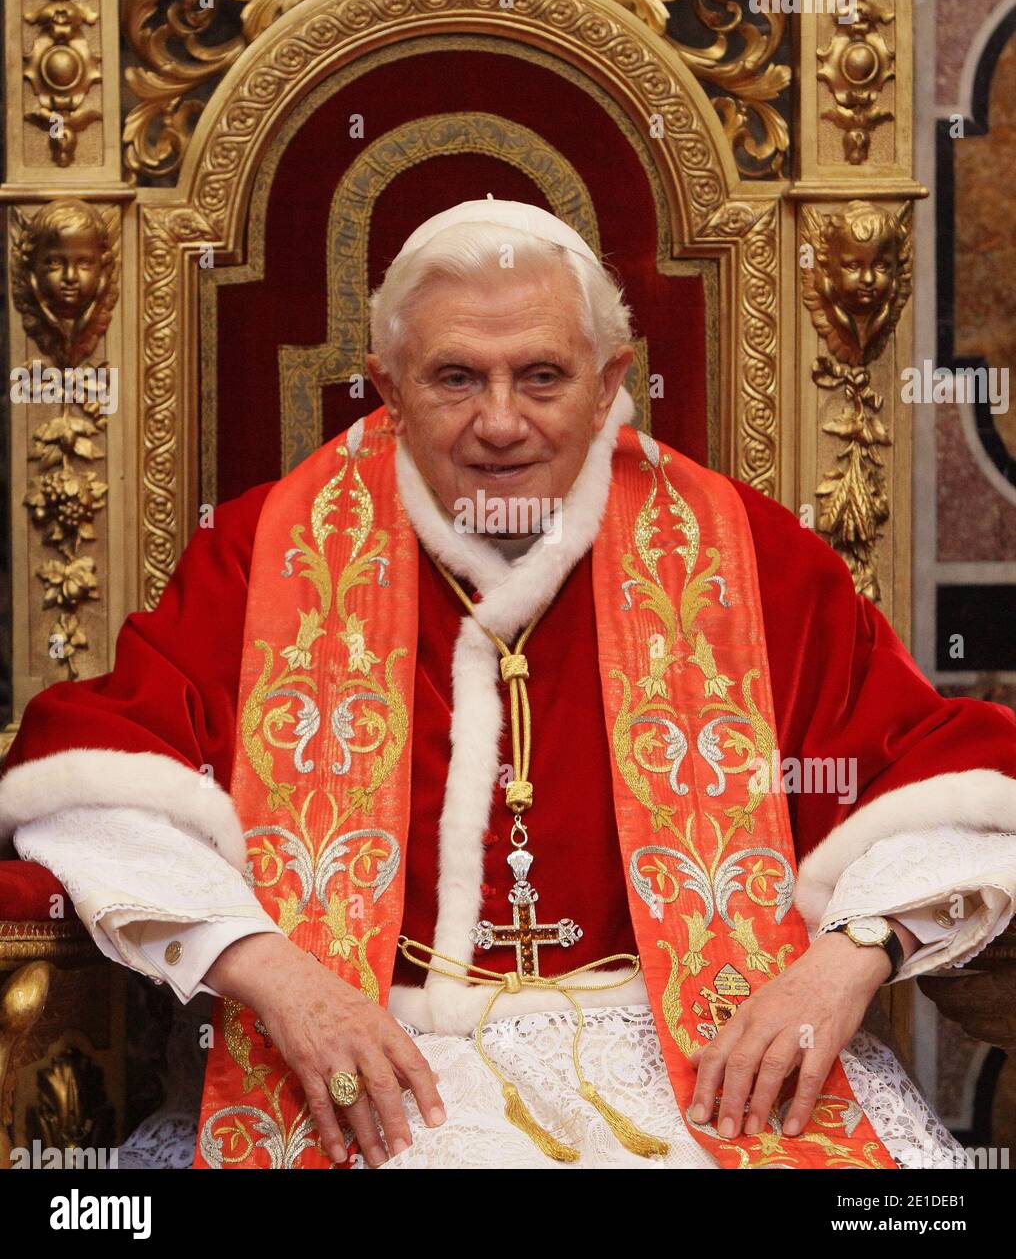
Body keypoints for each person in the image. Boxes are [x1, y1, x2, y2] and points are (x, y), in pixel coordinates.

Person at [2, 197, 1016, 1171]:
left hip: (698, 1060)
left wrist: (854, 950)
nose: (499, 422)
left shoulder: (745, 556)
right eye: (453, 378)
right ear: (386, 386)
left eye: (540, 376)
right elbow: (99, 780)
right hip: (375, 1061)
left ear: (609, 377)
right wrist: (269, 969)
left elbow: (940, 772)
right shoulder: (267, 554)